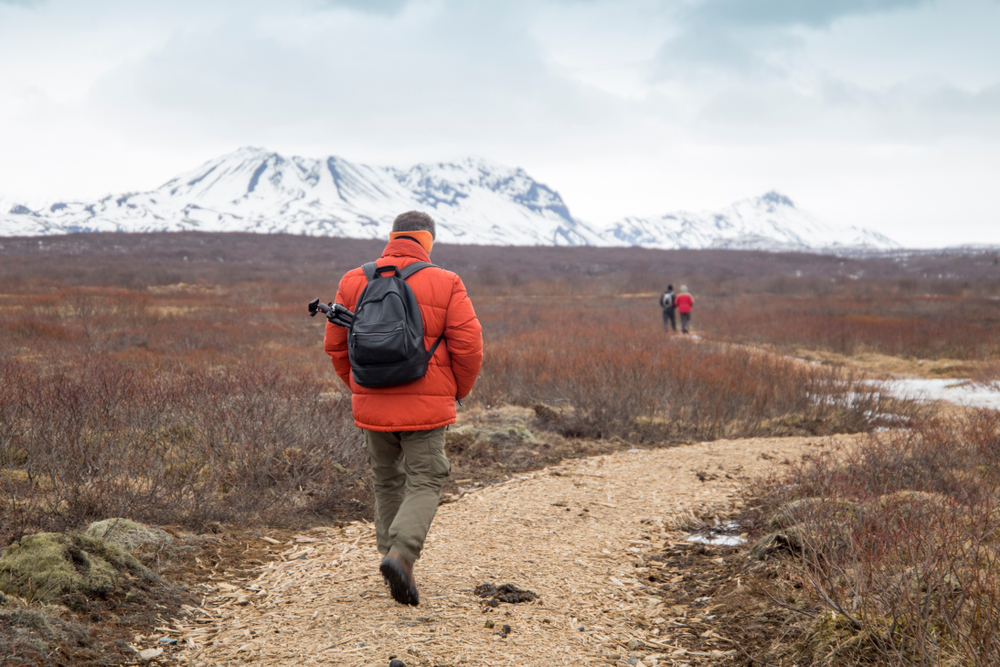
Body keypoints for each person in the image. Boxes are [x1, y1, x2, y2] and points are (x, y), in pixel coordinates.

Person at [324, 211, 483, 606]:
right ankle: (401, 556)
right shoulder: (446, 282)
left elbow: (336, 347)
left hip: (372, 403)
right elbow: (469, 348)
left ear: (392, 237)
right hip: (426, 406)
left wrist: (362, 389)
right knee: (427, 479)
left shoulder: (353, 279)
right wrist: (455, 392)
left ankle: (391, 559)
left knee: (386, 481)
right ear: (428, 242)